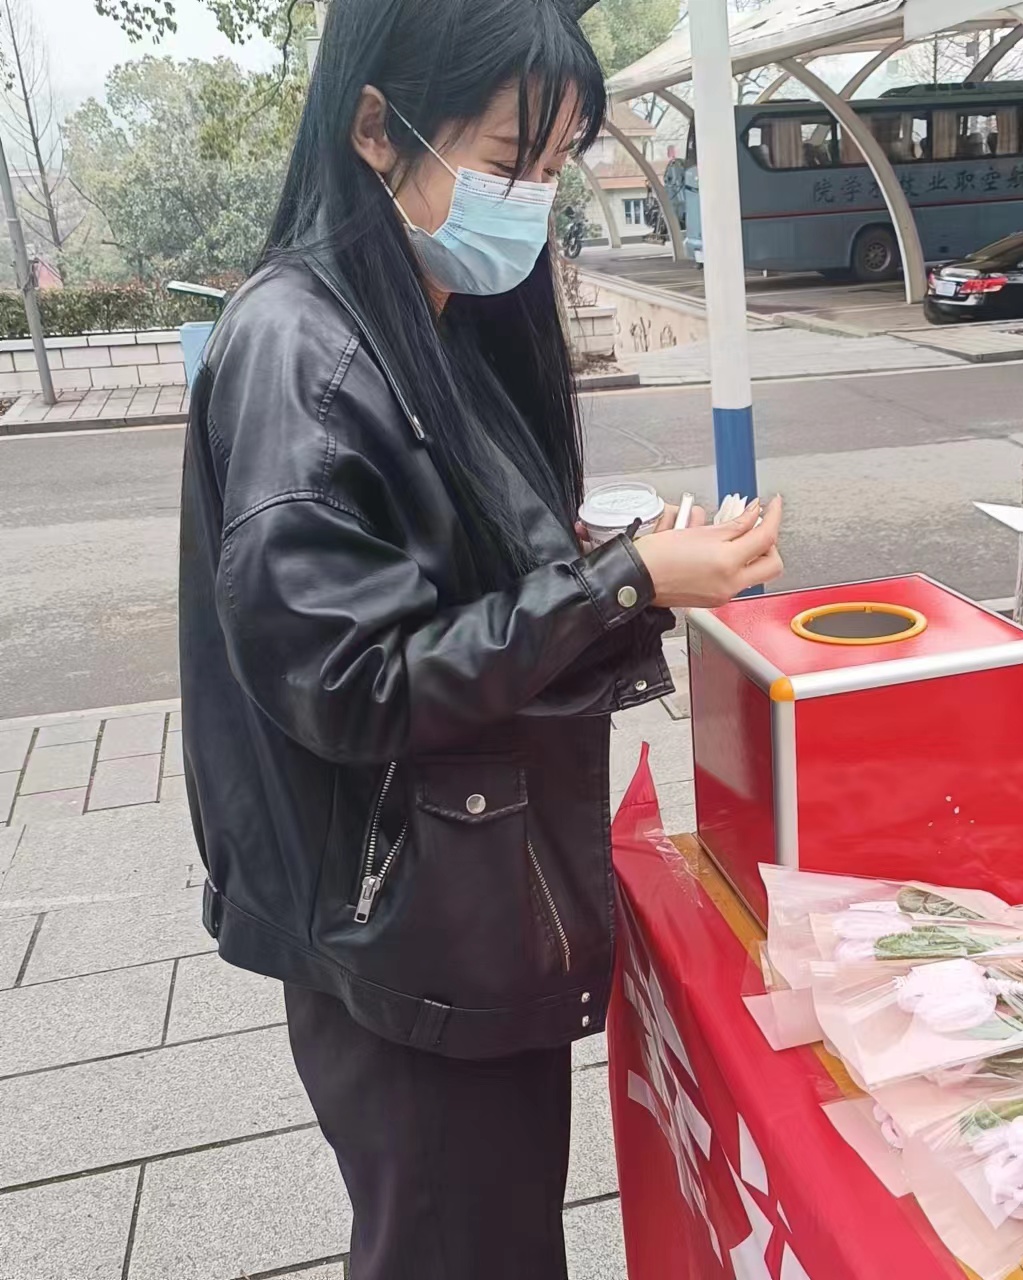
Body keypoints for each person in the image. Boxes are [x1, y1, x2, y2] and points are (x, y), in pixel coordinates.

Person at [177, 0, 784, 1276]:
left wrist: (602, 563)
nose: (533, 197)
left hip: (462, 888)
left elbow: (440, 573)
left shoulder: (426, 307)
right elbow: (352, 678)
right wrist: (621, 583)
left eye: (555, 165)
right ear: (375, 127)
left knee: (491, 1229)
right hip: (401, 914)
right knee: (456, 1242)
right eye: (511, 159)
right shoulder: (304, 350)